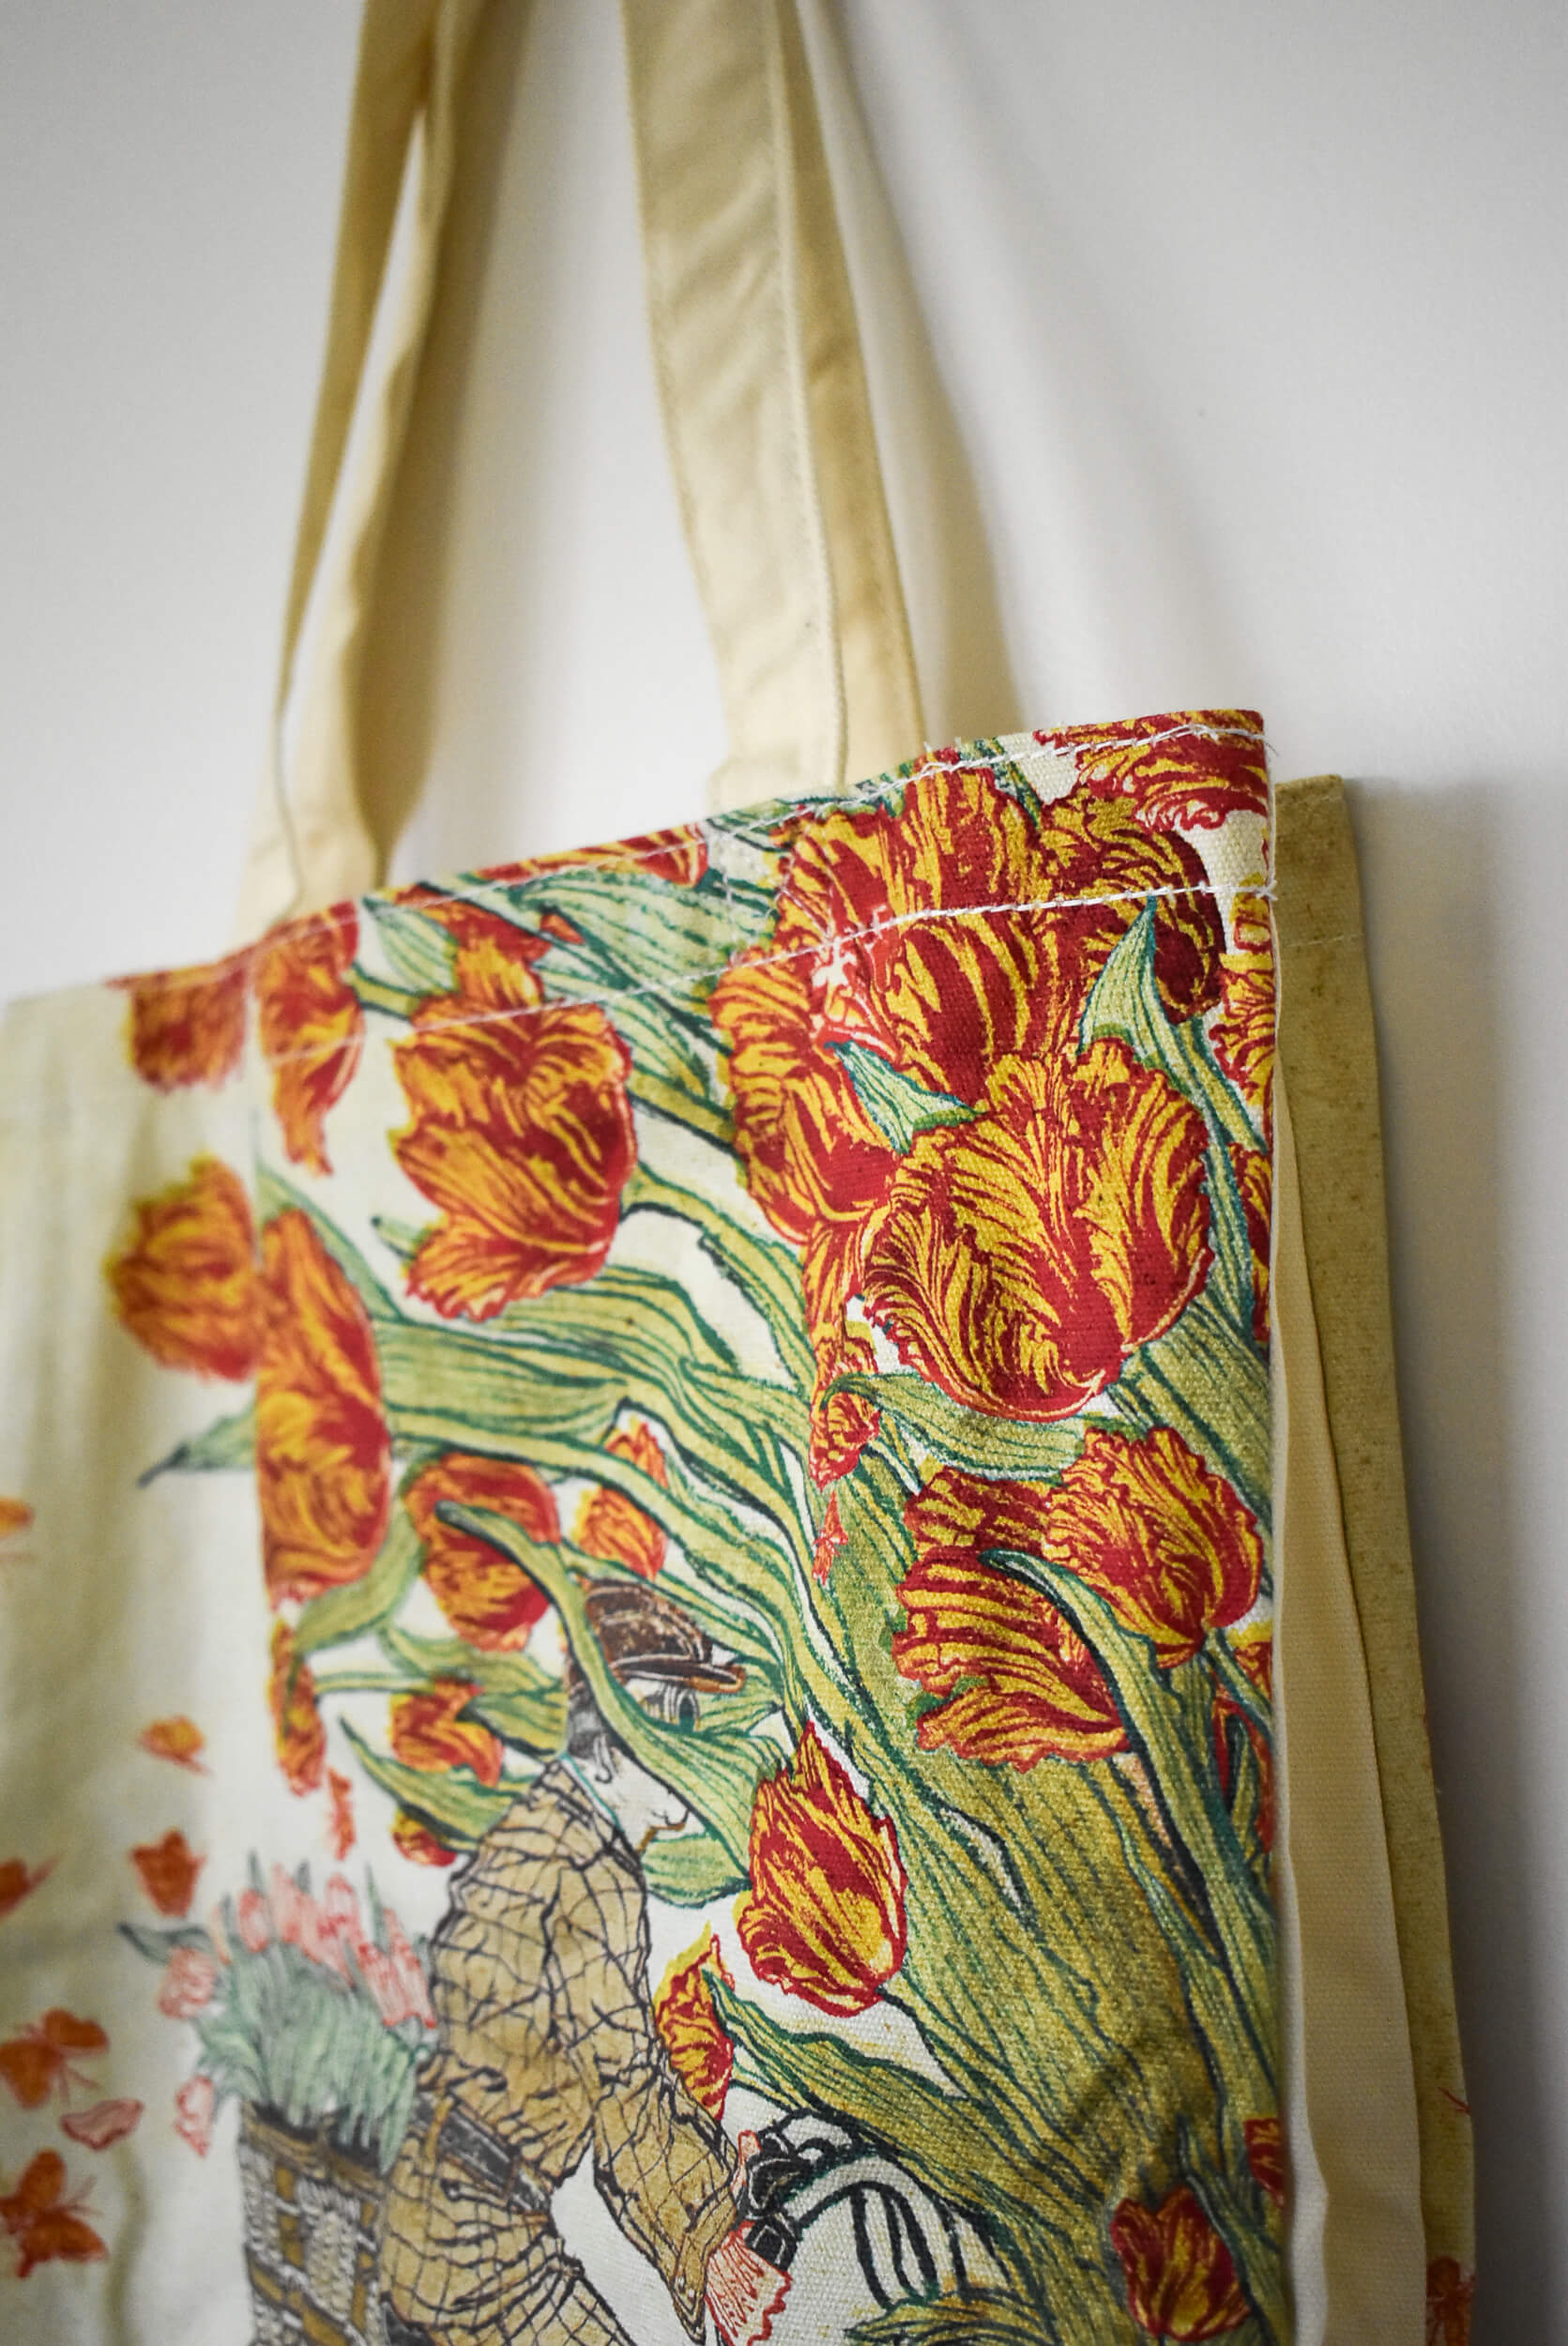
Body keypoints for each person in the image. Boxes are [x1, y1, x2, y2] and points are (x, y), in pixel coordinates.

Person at [378, 1579, 788, 2346]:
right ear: (608, 1729)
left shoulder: (542, 1826)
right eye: (675, 1714)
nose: (690, 1745)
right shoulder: (590, 1874)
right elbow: (622, 2085)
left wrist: (722, 2180)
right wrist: (711, 2251)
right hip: (479, 2254)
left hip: (431, 2216)